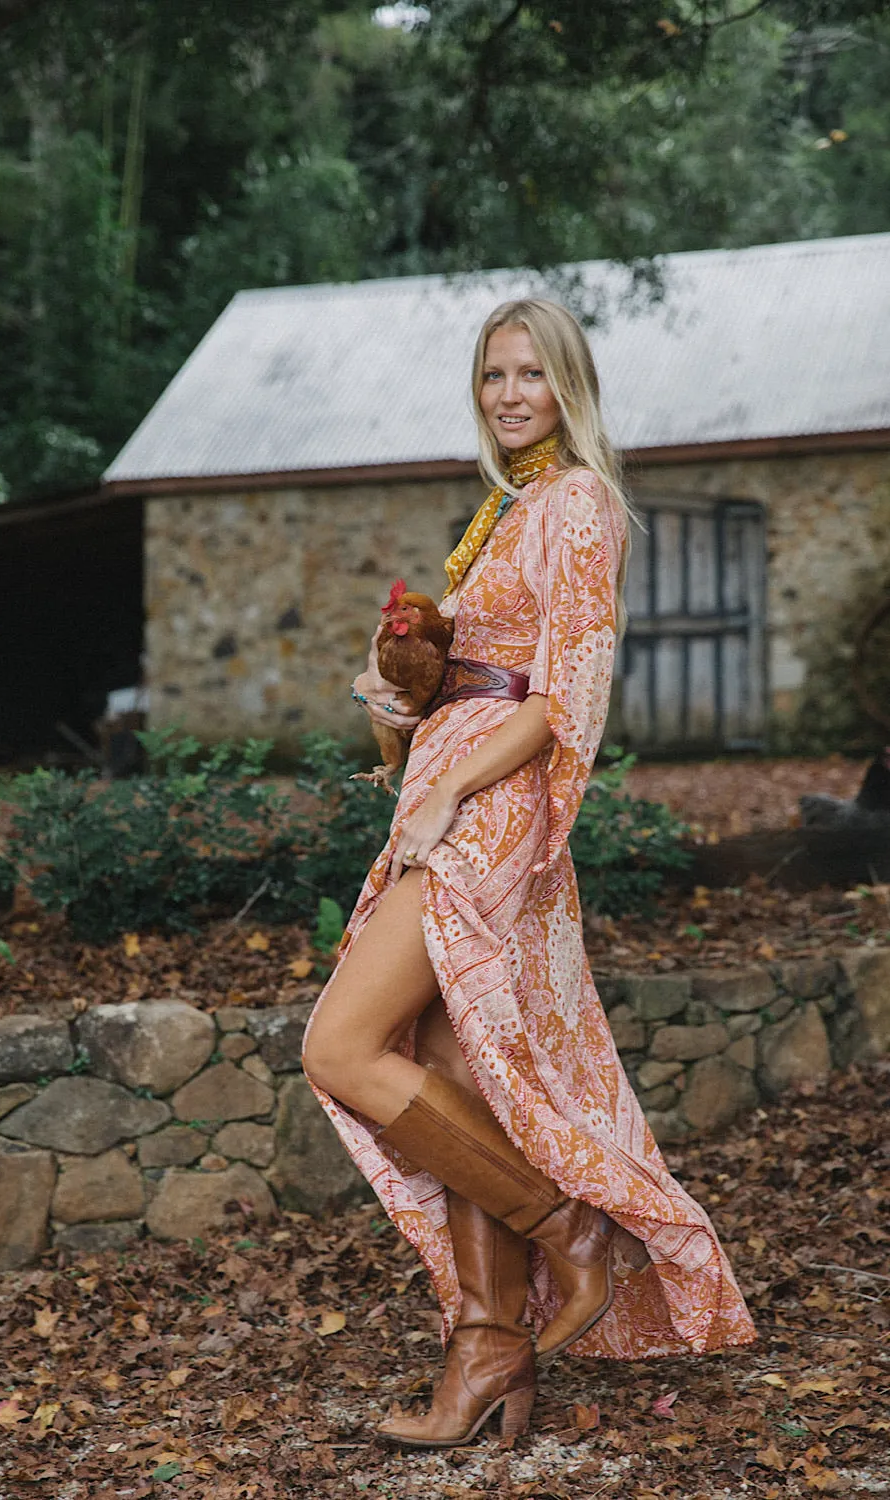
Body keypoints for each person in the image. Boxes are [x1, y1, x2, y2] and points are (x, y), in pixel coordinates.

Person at [302, 298, 755, 1449]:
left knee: (342, 1047)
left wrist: (455, 791)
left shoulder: (578, 505)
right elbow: (459, 688)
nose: (509, 394)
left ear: (570, 389)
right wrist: (403, 686)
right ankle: (486, 1355)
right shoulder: (503, 513)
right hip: (444, 793)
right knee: (453, 1068)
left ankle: (569, 1228)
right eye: (494, 374)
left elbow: (563, 703)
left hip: (489, 813)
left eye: (532, 376)